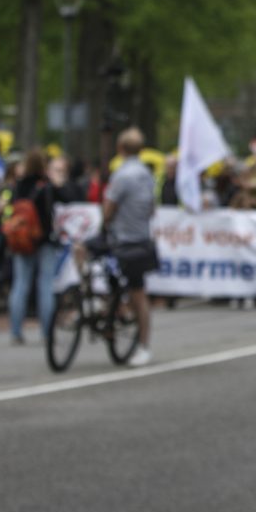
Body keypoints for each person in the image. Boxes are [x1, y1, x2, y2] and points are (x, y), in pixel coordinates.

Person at [104, 128, 158, 367]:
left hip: (124, 239)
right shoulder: (147, 174)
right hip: (141, 240)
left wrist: (105, 223)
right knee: (139, 293)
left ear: (120, 148)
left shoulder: (122, 175)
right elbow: (152, 208)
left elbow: (108, 209)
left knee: (82, 249)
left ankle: (106, 307)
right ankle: (143, 343)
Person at [7, 149, 63, 345]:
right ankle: (47, 332)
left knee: (20, 284)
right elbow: (62, 200)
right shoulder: (46, 185)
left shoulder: (19, 185)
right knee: (45, 284)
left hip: (23, 239)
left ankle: (15, 331)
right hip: (44, 238)